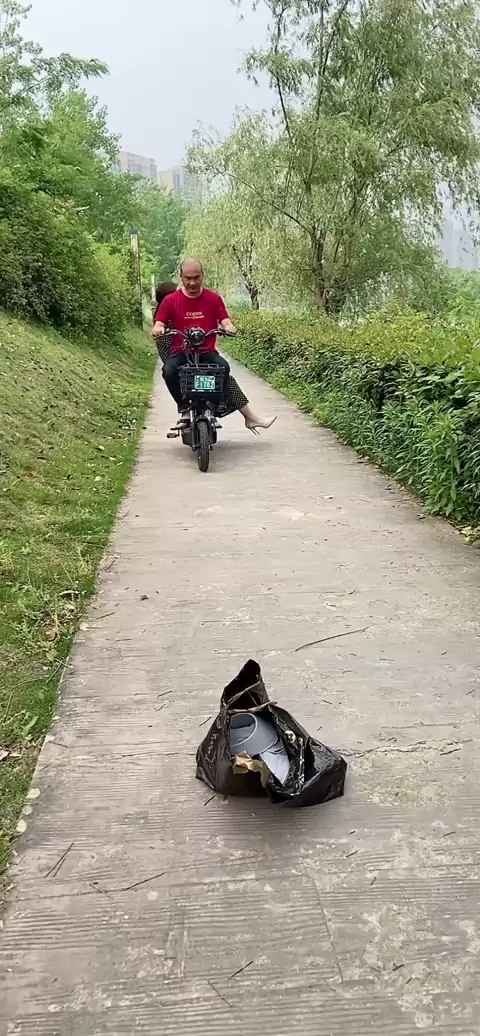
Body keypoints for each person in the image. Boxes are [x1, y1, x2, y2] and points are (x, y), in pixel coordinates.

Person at [153, 260, 276, 433]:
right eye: (188, 278)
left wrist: (229, 327)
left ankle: (213, 406)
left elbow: (225, 320)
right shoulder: (171, 301)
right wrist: (158, 328)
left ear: (202, 276)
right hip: (181, 352)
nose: (192, 282)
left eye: (196, 277)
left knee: (223, 368)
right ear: (181, 277)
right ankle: (184, 407)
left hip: (207, 352)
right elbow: (159, 323)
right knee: (169, 370)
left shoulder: (213, 298)